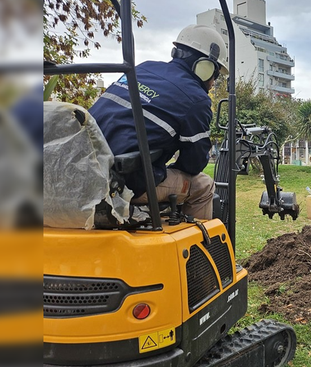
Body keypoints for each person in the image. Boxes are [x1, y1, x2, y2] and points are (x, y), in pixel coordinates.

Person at [89, 24, 228, 220]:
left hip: (85, 171)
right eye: (215, 75)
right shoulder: (197, 99)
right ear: (205, 67)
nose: (214, 82)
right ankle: (200, 248)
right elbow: (193, 164)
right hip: (124, 183)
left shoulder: (143, 68)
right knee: (204, 186)